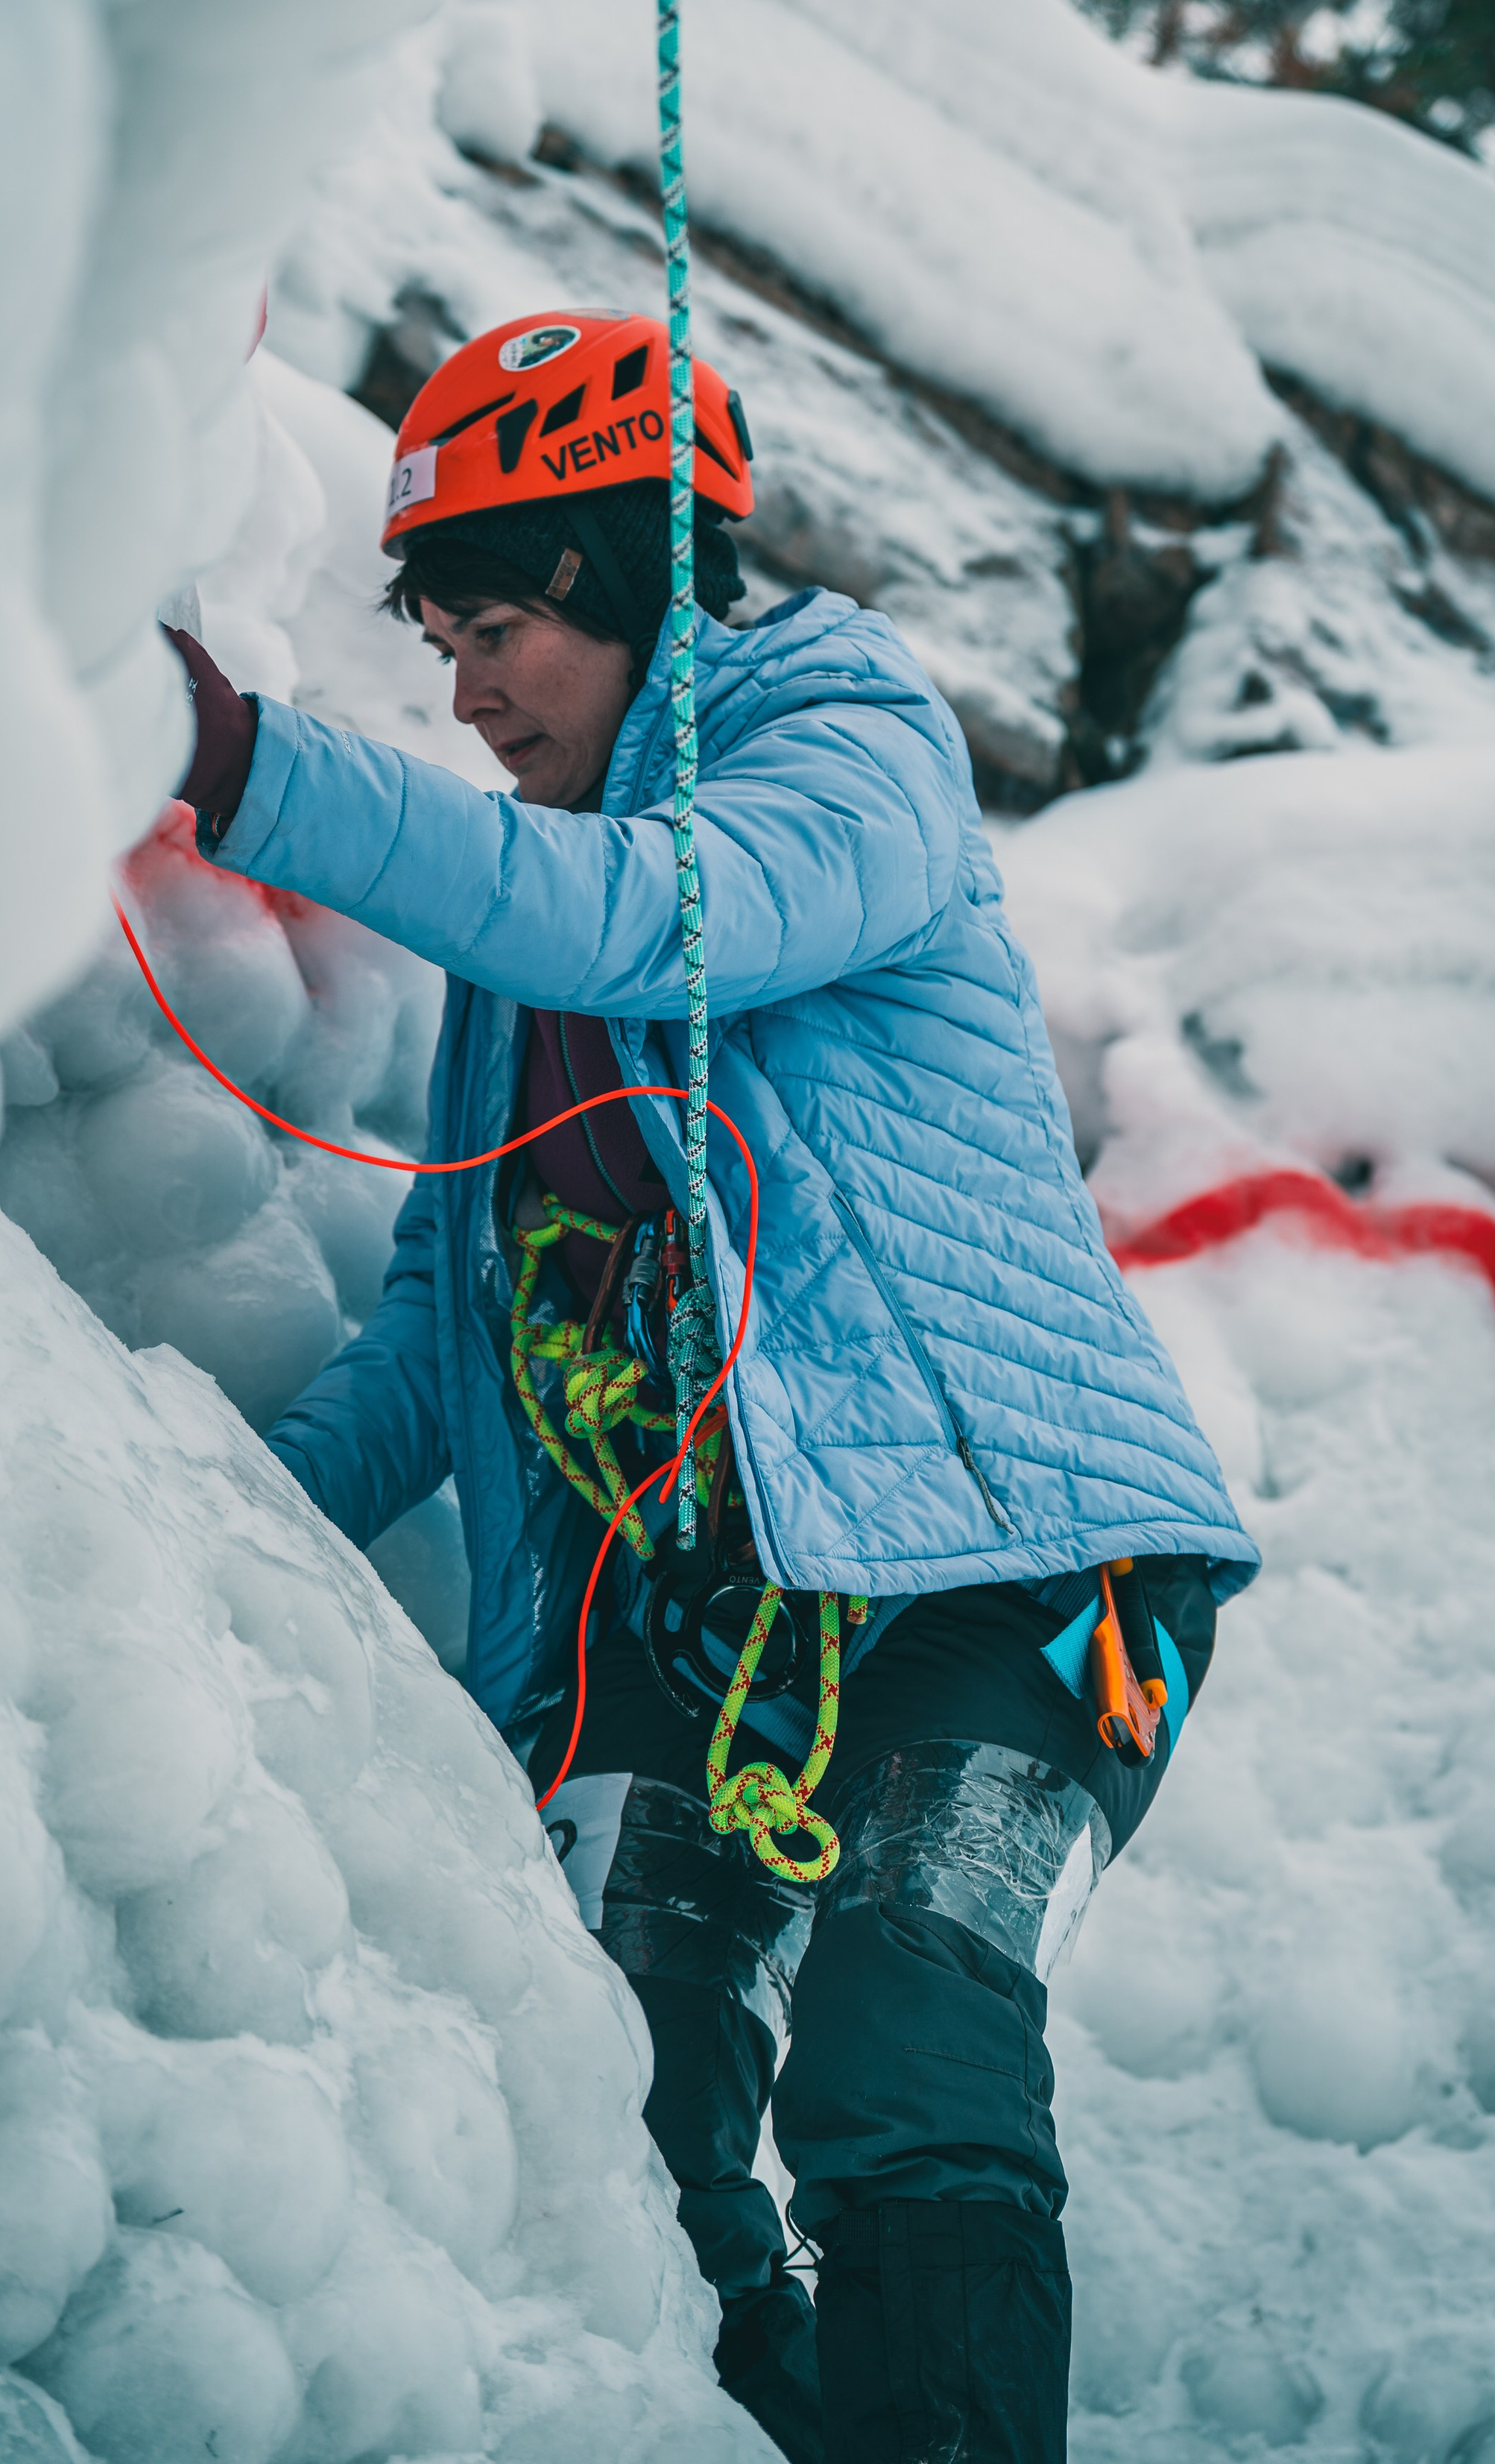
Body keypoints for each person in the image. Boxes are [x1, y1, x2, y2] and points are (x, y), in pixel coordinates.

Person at [166, 307, 1258, 2464]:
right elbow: (434, 1343)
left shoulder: (844, 742)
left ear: (617, 581)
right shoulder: (523, 964)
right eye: (445, 645)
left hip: (1009, 1566)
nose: (467, 695)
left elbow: (660, 924)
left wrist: (241, 769)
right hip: (705, 1620)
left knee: (900, 2018)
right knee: (612, 2080)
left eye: (496, 631)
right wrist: (174, 1511)